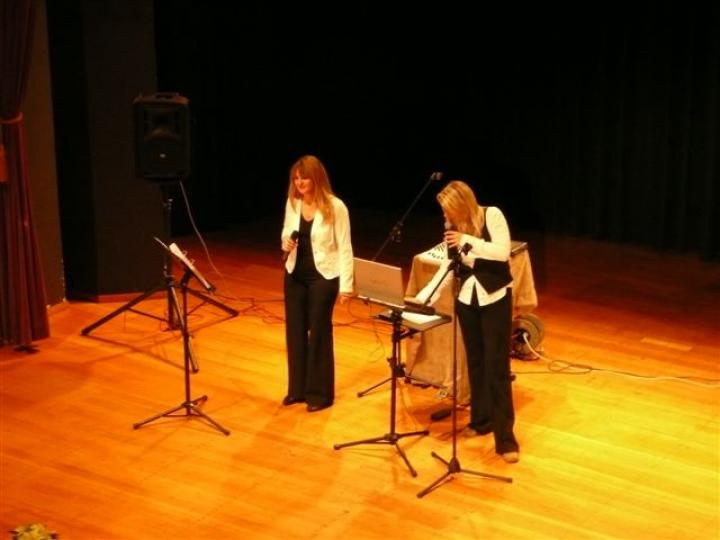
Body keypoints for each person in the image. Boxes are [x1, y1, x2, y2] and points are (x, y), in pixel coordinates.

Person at [413, 180, 519, 463]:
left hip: (494, 297)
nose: (445, 215)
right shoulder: (452, 228)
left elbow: (502, 252)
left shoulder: (491, 215)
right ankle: (481, 420)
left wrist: (467, 241)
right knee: (475, 361)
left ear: (461, 204)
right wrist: (424, 297)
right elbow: (450, 266)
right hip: (467, 299)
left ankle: (506, 439)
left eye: (448, 209)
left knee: (496, 366)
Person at [280, 155, 354, 412]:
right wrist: (285, 242)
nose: (299, 183)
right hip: (295, 274)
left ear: (316, 178)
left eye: (304, 178)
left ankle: (320, 395)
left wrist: (347, 285)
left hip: (324, 276)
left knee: (319, 332)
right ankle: (297, 390)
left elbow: (345, 247)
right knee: (295, 331)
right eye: (296, 178)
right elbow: (285, 231)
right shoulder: (293, 203)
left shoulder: (336, 206)